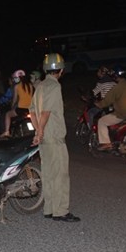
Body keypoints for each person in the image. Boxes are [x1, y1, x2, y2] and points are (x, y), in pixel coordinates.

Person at [29, 53, 80, 222]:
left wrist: (38, 132)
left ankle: (49, 208)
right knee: (60, 175)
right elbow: (46, 112)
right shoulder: (55, 87)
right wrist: (41, 131)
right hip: (54, 137)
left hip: (44, 138)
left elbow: (32, 111)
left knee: (48, 173)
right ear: (62, 70)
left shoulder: (40, 86)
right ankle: (60, 211)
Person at [94, 65, 126, 151]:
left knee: (101, 121)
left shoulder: (117, 88)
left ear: (115, 76)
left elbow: (106, 101)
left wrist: (99, 104)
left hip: (123, 115)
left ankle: (106, 143)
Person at [0, 69, 33, 138]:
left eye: (14, 78)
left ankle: (7, 131)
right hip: (30, 109)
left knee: (8, 114)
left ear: (17, 78)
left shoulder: (17, 86)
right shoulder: (31, 86)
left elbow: (14, 100)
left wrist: (12, 106)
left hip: (21, 109)